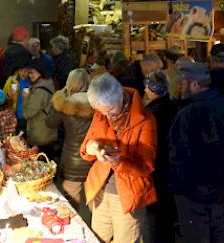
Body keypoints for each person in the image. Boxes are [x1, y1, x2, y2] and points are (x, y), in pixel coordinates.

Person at [168, 62, 224, 243]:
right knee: (223, 234)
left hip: (194, 194)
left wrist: (177, 189)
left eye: (183, 83)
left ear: (194, 84)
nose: (180, 87)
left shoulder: (187, 114)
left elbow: (177, 155)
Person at [80, 73, 157, 243]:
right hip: (100, 187)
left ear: (121, 96)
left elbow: (146, 167)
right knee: (97, 238)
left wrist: (118, 161)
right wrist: (90, 147)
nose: (107, 116)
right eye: (101, 112)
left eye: (111, 111)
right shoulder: (101, 112)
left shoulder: (145, 120)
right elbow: (85, 149)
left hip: (128, 192)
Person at [46, 68, 94, 212]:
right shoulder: (98, 103)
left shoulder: (65, 105)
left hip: (72, 159)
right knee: (96, 202)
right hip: (95, 158)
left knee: (71, 206)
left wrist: (59, 98)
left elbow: (50, 123)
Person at [143, 70, 178, 243]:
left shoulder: (151, 113)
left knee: (156, 219)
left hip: (157, 169)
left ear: (151, 89)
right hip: (171, 168)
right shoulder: (174, 107)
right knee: (167, 217)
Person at [22, 59, 57, 151]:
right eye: (29, 73)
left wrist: (26, 97)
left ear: (41, 72)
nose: (30, 75)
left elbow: (27, 113)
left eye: (32, 72)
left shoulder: (39, 91)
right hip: (49, 132)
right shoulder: (49, 83)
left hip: (39, 135)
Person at [3, 65, 32, 133]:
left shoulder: (31, 81)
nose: (23, 73)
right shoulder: (12, 80)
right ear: (17, 70)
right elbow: (3, 96)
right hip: (13, 113)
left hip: (26, 115)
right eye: (21, 70)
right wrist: (8, 95)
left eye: (26, 71)